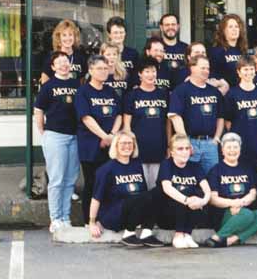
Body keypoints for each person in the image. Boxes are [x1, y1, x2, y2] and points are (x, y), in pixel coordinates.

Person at [88, 130, 164, 248]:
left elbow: (143, 193)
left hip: (133, 211)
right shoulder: (106, 169)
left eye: (130, 143)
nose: (127, 146)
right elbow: (96, 198)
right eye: (123, 143)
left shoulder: (136, 165)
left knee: (158, 191)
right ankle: (129, 234)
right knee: (138, 198)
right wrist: (92, 222)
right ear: (115, 146)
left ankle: (146, 233)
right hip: (114, 215)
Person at [34, 51, 80, 232]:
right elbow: (38, 110)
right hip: (55, 136)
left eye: (65, 61)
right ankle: (55, 218)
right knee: (56, 179)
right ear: (53, 67)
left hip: (74, 136)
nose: (63, 65)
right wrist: (43, 131)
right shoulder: (48, 86)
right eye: (59, 62)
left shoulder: (77, 84)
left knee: (70, 180)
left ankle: (65, 217)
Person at [75, 54, 122, 224]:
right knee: (92, 183)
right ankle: (89, 221)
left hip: (110, 145)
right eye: (99, 68)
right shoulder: (83, 92)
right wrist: (103, 136)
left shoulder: (110, 91)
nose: (103, 71)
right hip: (90, 146)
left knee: (108, 182)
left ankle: (105, 219)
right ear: (90, 70)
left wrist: (112, 135)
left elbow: (119, 115)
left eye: (105, 68)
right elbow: (86, 118)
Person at [204, 133, 257, 247]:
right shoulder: (216, 170)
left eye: (235, 147)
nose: (232, 150)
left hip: (243, 210)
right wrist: (232, 203)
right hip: (224, 213)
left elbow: (253, 193)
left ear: (240, 149)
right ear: (222, 150)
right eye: (229, 147)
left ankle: (230, 240)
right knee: (247, 214)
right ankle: (218, 236)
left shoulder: (247, 168)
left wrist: (240, 203)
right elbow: (212, 199)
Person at [169, 53, 224, 173]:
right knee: (189, 177)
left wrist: (217, 138)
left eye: (208, 68)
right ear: (192, 68)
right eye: (203, 68)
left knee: (212, 177)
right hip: (190, 143)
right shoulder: (181, 90)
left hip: (210, 144)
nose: (206, 71)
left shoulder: (214, 92)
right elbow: (175, 117)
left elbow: (220, 117)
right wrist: (186, 143)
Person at [156, 133, 211, 249]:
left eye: (187, 148)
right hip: (168, 214)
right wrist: (187, 200)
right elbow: (167, 188)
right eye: (180, 149)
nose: (184, 152)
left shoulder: (195, 166)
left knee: (198, 194)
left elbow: (207, 190)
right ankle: (178, 235)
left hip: (189, 212)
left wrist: (203, 201)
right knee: (183, 191)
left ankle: (187, 234)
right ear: (172, 152)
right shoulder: (167, 164)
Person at [123, 57, 170, 190]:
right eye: (147, 71)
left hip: (159, 148)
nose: (151, 75)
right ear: (140, 74)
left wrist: (169, 145)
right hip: (138, 149)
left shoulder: (164, 94)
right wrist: (129, 146)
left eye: (153, 71)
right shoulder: (132, 95)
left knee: (156, 188)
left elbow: (168, 123)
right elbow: (127, 125)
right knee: (140, 189)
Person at [224, 56, 257, 170]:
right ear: (239, 72)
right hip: (241, 146)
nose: (249, 72)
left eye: (251, 69)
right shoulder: (232, 94)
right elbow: (228, 121)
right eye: (245, 69)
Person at [40, 19, 87, 84]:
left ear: (74, 37)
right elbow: (44, 82)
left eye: (70, 35)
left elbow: (83, 81)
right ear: (59, 37)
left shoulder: (80, 58)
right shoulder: (52, 58)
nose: (68, 38)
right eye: (64, 35)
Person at [209, 13, 249, 88]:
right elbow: (213, 75)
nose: (234, 29)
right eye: (230, 27)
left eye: (237, 26)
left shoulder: (242, 50)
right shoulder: (217, 51)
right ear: (223, 30)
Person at [105, 16, 139, 83]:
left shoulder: (133, 54)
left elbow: (137, 78)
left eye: (121, 32)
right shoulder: (103, 53)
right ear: (109, 34)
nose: (118, 35)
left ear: (125, 33)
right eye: (115, 32)